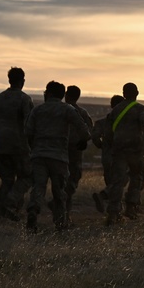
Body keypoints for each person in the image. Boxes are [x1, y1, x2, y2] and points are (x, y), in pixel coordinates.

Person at [24, 81, 90, 232]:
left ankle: (33, 213)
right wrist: (82, 142)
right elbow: (84, 131)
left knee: (38, 188)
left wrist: (34, 148)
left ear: (49, 93)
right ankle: (61, 224)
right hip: (59, 156)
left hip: (39, 155)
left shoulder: (38, 110)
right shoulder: (68, 109)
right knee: (59, 191)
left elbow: (28, 132)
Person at [0, 67, 34, 221]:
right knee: (27, 177)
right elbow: (29, 123)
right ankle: (8, 203)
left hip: (1, 145)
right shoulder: (24, 99)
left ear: (9, 80)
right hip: (19, 146)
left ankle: (0, 206)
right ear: (23, 81)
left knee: (7, 179)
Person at [103, 82, 144, 224]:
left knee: (117, 182)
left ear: (124, 93)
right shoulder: (141, 109)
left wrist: (110, 146)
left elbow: (107, 132)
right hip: (136, 150)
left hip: (119, 150)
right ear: (137, 93)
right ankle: (131, 207)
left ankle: (113, 213)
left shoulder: (115, 110)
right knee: (137, 178)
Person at [62, 85, 94, 225]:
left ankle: (62, 212)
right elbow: (89, 131)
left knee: (61, 182)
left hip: (58, 150)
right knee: (71, 182)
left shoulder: (58, 110)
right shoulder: (82, 112)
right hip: (74, 152)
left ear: (66, 95)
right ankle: (65, 214)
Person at [90, 94, 124, 213]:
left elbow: (94, 137)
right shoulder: (124, 123)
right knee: (118, 184)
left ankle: (114, 211)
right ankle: (105, 198)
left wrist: (102, 146)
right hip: (121, 157)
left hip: (107, 156)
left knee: (110, 181)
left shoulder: (102, 122)